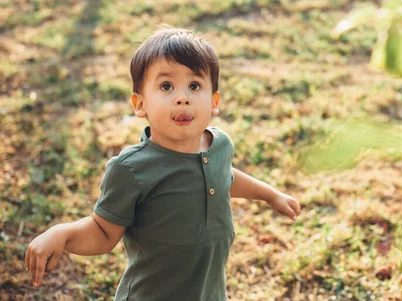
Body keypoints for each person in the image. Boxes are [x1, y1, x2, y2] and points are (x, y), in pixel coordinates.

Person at [24, 27, 301, 301]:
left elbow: (223, 176)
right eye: (166, 86)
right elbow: (102, 232)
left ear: (214, 102)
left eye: (194, 86)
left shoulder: (220, 145)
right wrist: (62, 234)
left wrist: (270, 195)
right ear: (140, 104)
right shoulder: (131, 169)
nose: (183, 97)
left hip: (209, 292)